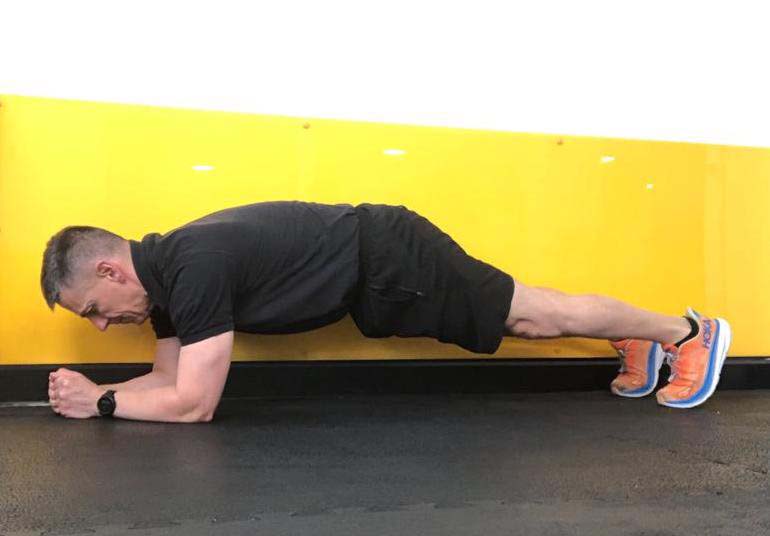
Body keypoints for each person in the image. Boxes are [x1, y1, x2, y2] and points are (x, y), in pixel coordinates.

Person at [41, 201, 731, 422]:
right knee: (532, 312)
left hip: (389, 258)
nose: (103, 326)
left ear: (111, 269)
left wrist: (101, 402)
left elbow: (193, 404)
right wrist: (98, 392)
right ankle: (642, 341)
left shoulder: (191, 266)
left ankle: (688, 331)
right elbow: (165, 382)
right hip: (377, 271)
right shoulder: (166, 283)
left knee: (532, 316)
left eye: (97, 310)